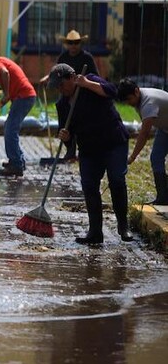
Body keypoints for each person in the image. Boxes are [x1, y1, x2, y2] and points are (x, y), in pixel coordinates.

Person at [48, 63, 132, 244]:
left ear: (71, 78)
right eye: (57, 87)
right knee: (89, 185)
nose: (60, 89)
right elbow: (67, 135)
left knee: (117, 179)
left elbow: (112, 91)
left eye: (61, 85)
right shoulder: (62, 104)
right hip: (89, 148)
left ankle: (123, 226)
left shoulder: (91, 81)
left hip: (113, 142)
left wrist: (87, 84)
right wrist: (65, 136)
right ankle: (95, 233)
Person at [40, 30, 99, 160]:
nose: (73, 46)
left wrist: (83, 82)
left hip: (82, 92)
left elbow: (95, 76)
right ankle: (69, 148)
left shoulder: (87, 58)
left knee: (81, 119)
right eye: (70, 43)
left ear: (80, 43)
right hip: (66, 92)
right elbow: (56, 72)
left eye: (76, 43)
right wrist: (47, 78)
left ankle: (85, 147)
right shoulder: (63, 56)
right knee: (62, 111)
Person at [117, 78, 168, 205]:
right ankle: (163, 197)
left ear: (136, 91)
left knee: (156, 157)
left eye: (129, 99)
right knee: (156, 157)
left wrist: (132, 157)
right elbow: (146, 127)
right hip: (165, 129)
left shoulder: (148, 103)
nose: (129, 103)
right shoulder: (139, 98)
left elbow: (144, 134)